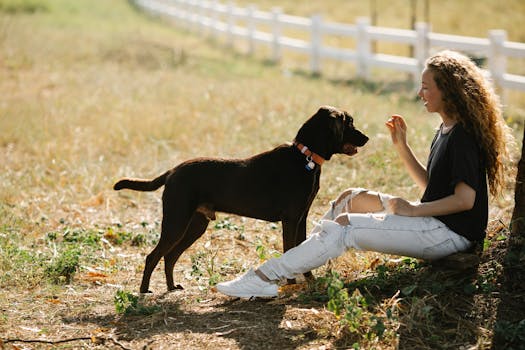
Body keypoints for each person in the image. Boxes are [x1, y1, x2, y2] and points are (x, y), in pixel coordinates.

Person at [216, 50, 513, 298]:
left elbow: (465, 200)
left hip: (450, 235)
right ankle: (303, 265)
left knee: (347, 226)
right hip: (434, 222)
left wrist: (412, 210)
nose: (420, 93)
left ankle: (266, 277)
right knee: (350, 199)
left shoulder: (462, 137)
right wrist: (402, 147)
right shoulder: (446, 129)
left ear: (447, 91)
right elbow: (434, 186)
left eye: (426, 86)